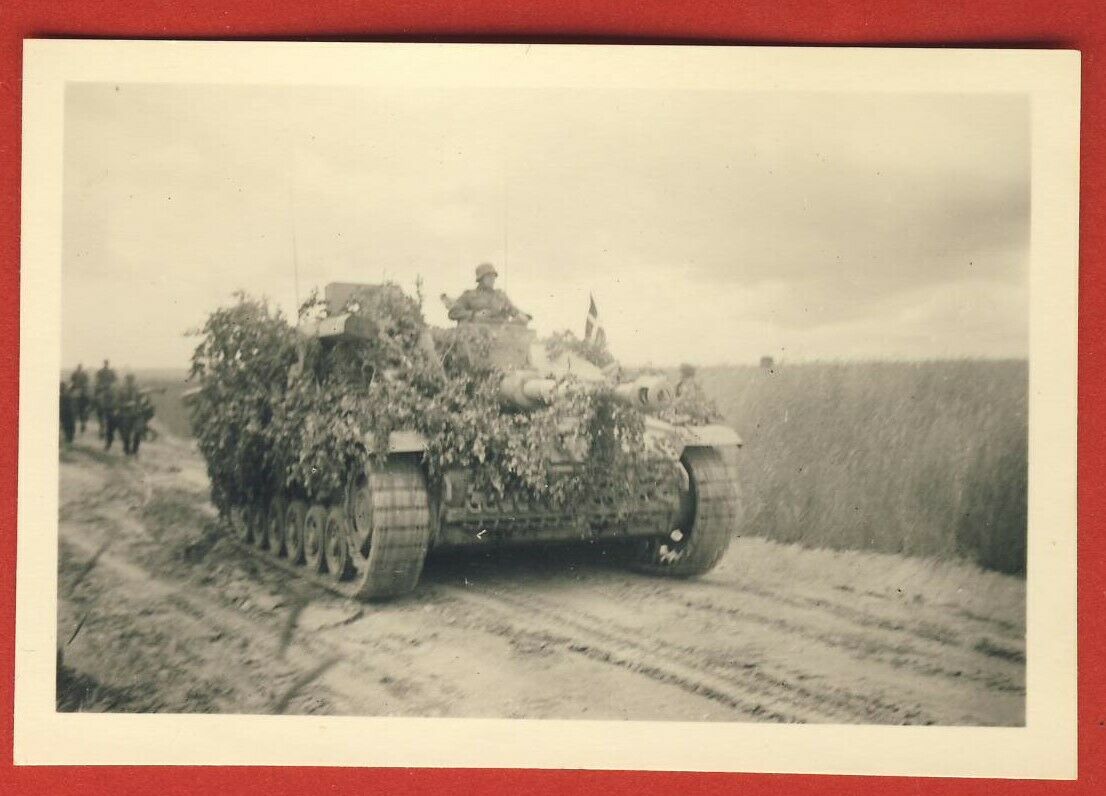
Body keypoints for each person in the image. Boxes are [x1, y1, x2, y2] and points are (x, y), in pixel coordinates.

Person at [447, 263, 531, 324]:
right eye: (489, 276)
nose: (492, 279)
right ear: (480, 279)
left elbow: (513, 310)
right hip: (477, 335)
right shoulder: (469, 295)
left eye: (493, 277)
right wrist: (475, 314)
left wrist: (523, 316)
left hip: (501, 334)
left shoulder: (500, 296)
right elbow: (453, 313)